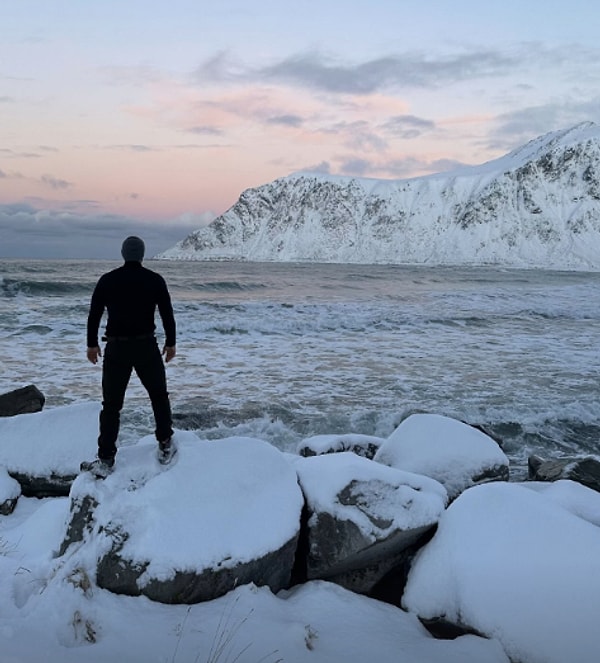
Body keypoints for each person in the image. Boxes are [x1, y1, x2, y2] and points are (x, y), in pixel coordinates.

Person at [81, 236, 177, 477]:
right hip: (146, 346)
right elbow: (167, 314)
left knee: (111, 406)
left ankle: (105, 459)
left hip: (117, 349)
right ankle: (165, 444)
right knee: (158, 396)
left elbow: (94, 315)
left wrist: (92, 345)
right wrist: (171, 343)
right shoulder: (154, 280)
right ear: (142, 254)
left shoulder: (108, 280)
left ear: (123, 253)